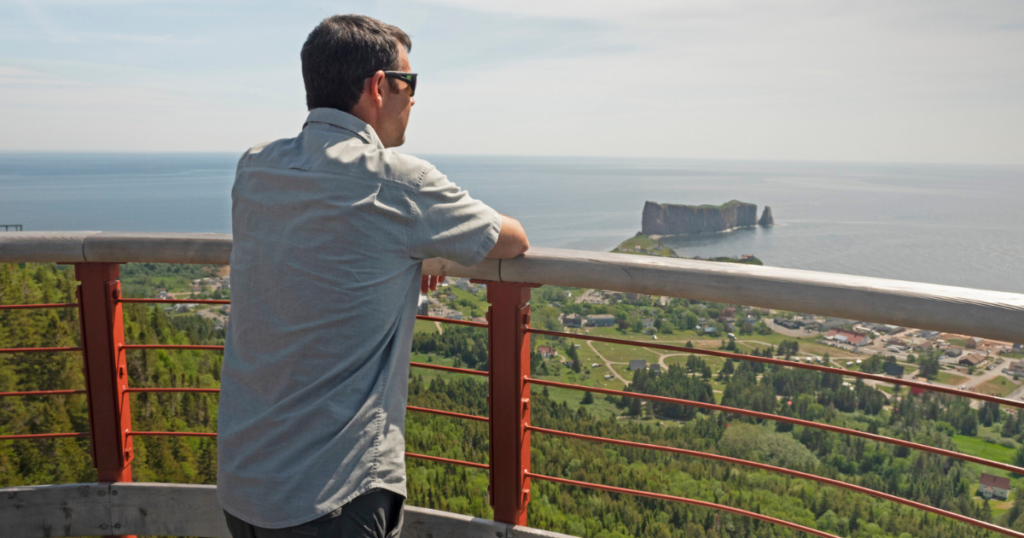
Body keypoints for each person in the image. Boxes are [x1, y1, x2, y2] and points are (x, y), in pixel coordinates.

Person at [216, 14, 529, 538]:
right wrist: (430, 248)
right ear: (379, 86)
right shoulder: (398, 183)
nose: (414, 98)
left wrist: (409, 251)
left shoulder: (255, 168)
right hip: (332, 497)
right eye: (410, 82)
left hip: (245, 485)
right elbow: (512, 239)